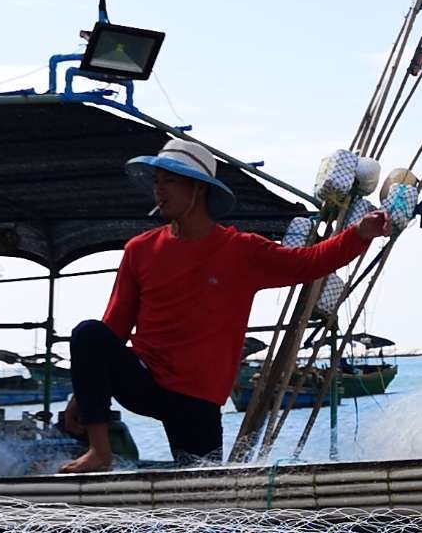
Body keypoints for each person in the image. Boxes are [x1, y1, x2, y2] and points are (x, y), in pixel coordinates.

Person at [57, 138, 396, 472]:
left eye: (170, 182)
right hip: (145, 380)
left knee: (201, 498)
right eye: (157, 182)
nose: (159, 190)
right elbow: (113, 327)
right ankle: (99, 452)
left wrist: (359, 235)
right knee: (89, 333)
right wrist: (82, 398)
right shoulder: (139, 250)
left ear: (199, 189)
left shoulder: (241, 250)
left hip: (196, 399)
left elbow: (308, 263)